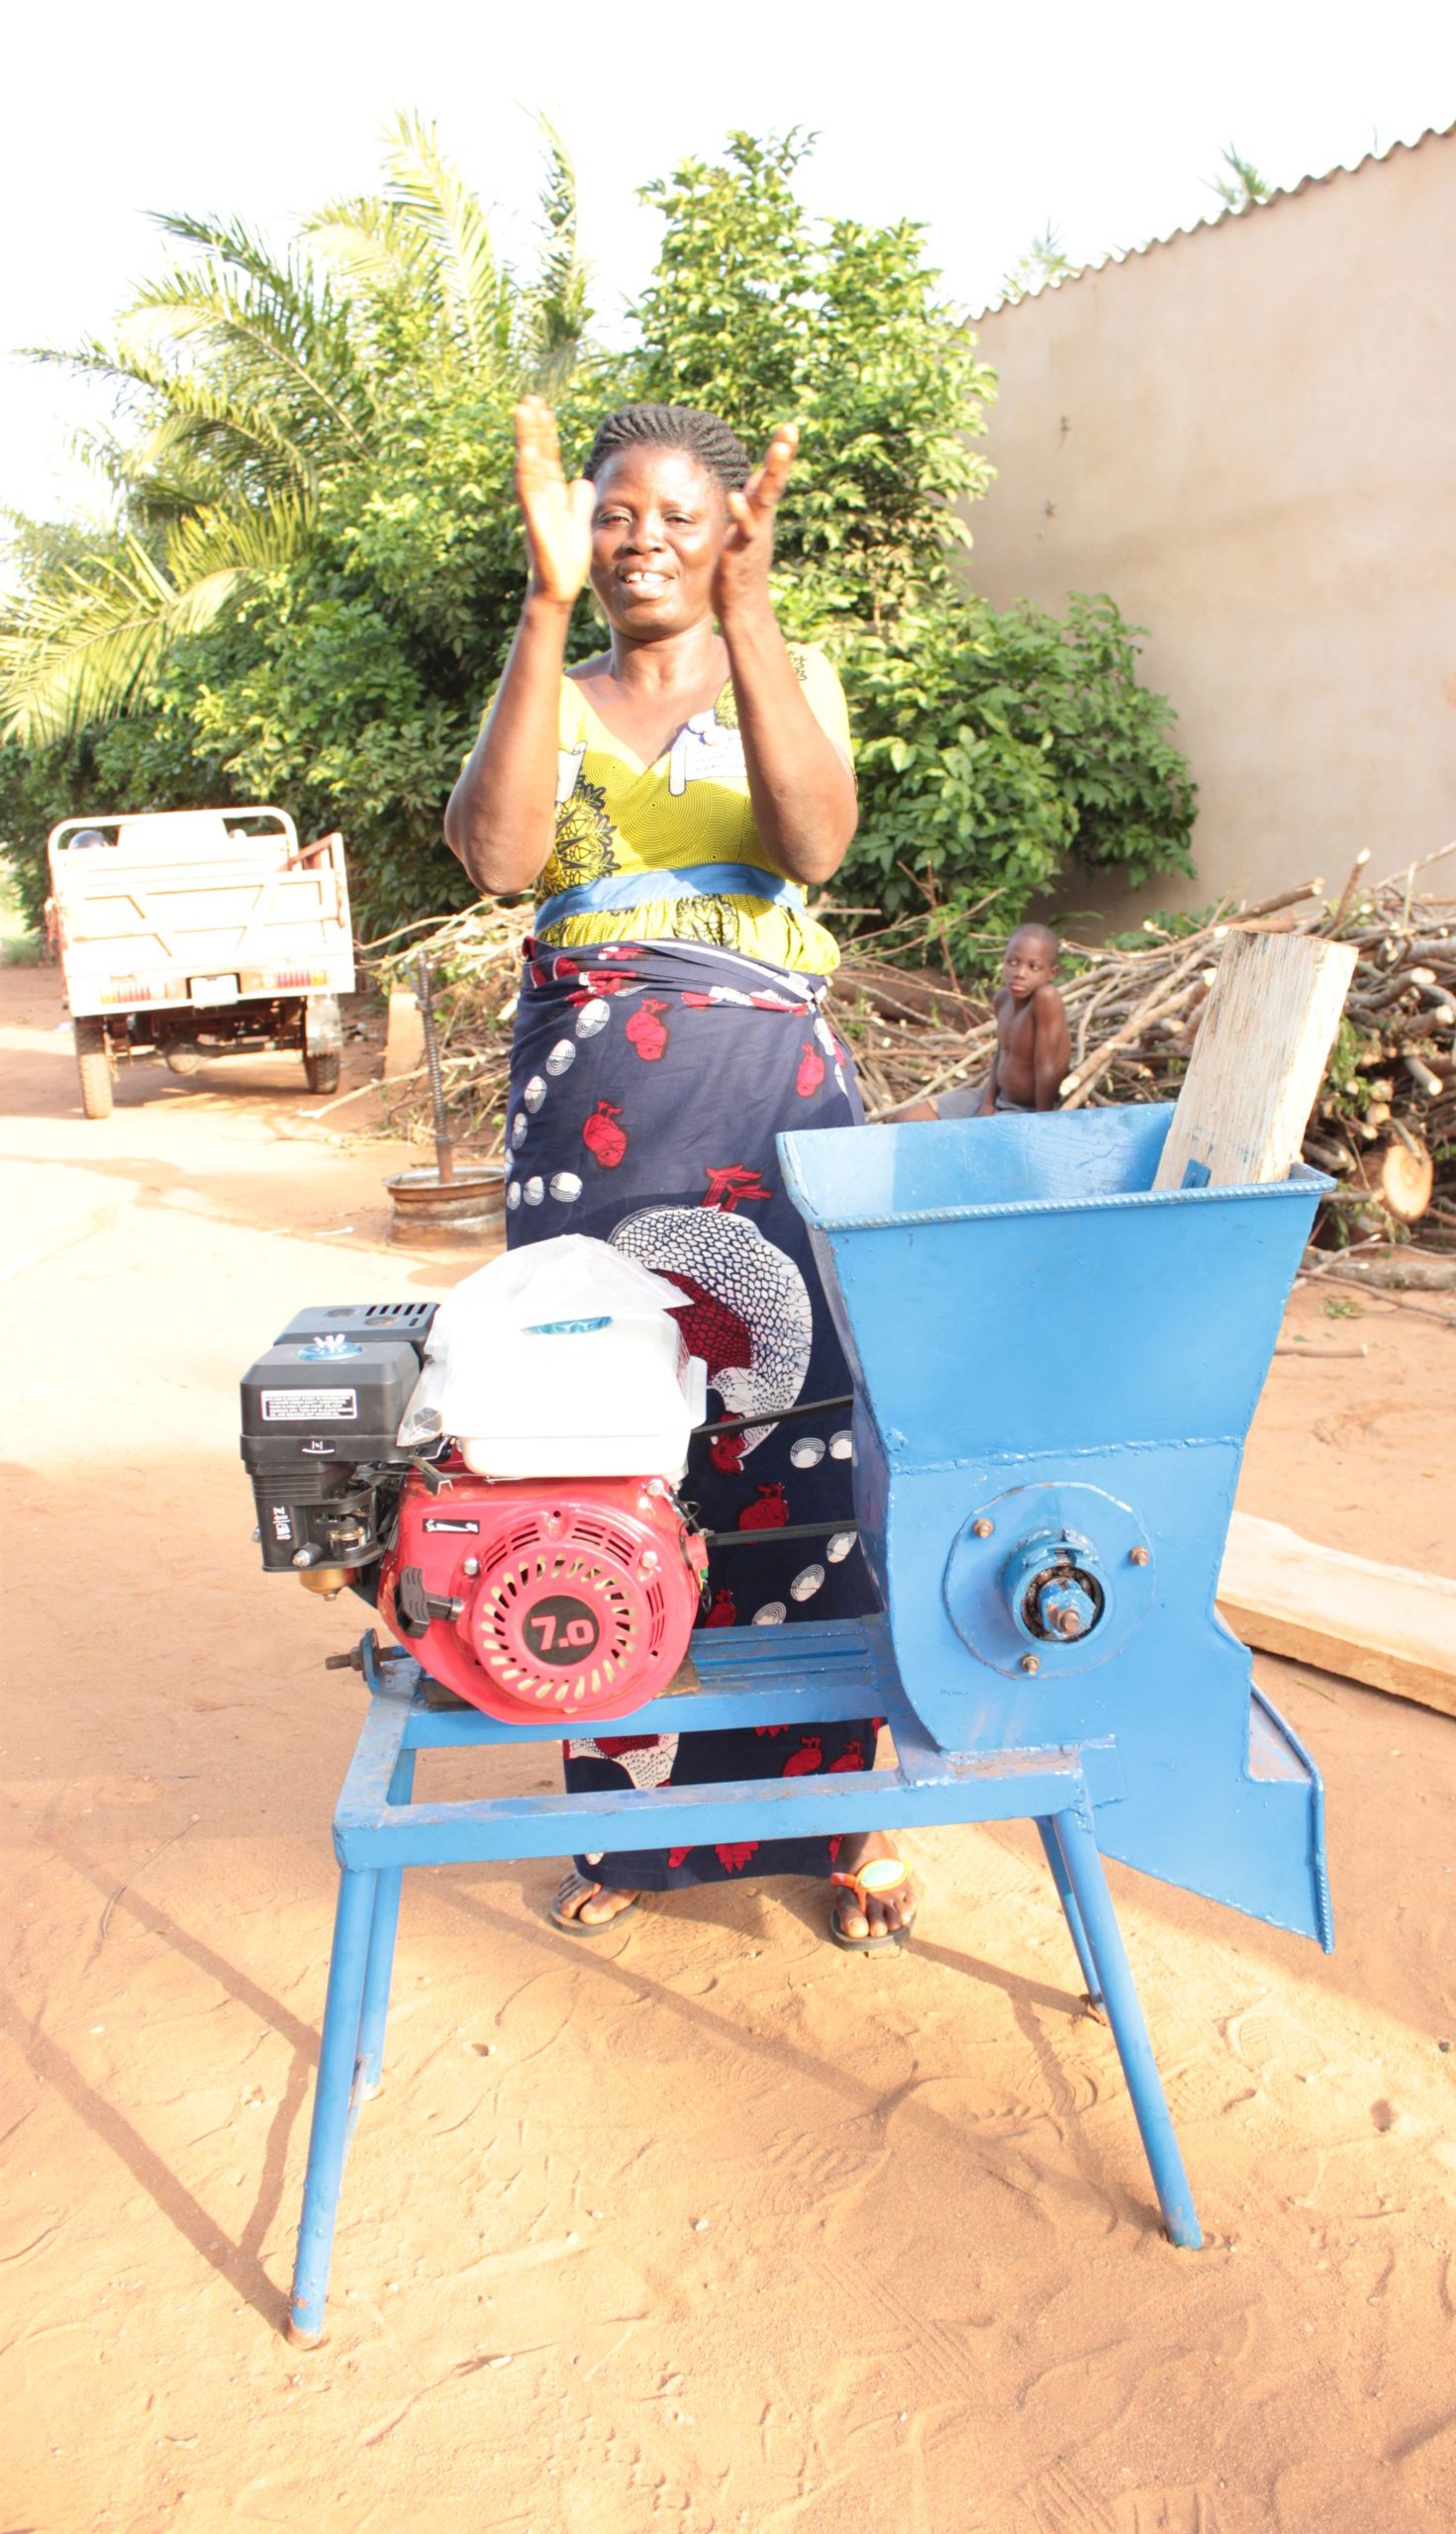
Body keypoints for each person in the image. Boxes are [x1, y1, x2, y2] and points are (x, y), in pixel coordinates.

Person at [444, 396, 916, 1953]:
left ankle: (839, 1829)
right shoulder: (554, 684)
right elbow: (501, 859)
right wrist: (537, 609)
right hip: (586, 1137)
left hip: (768, 1129)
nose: (639, 539)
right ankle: (639, 1835)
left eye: (674, 517)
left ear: (727, 530)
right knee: (593, 1456)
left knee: (800, 1465)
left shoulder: (778, 669)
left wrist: (757, 617)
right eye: (609, 515)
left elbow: (816, 836)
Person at [898, 923, 1072, 1119]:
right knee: (906, 1118)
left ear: (1051, 973)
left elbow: (1046, 1068)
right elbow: (1002, 1054)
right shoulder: (1003, 1000)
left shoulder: (1045, 998)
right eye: (1012, 962)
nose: (1020, 973)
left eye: (1034, 967)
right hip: (995, 1099)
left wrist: (1042, 1122)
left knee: (976, 1144)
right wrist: (987, 1103)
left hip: (1029, 1111)